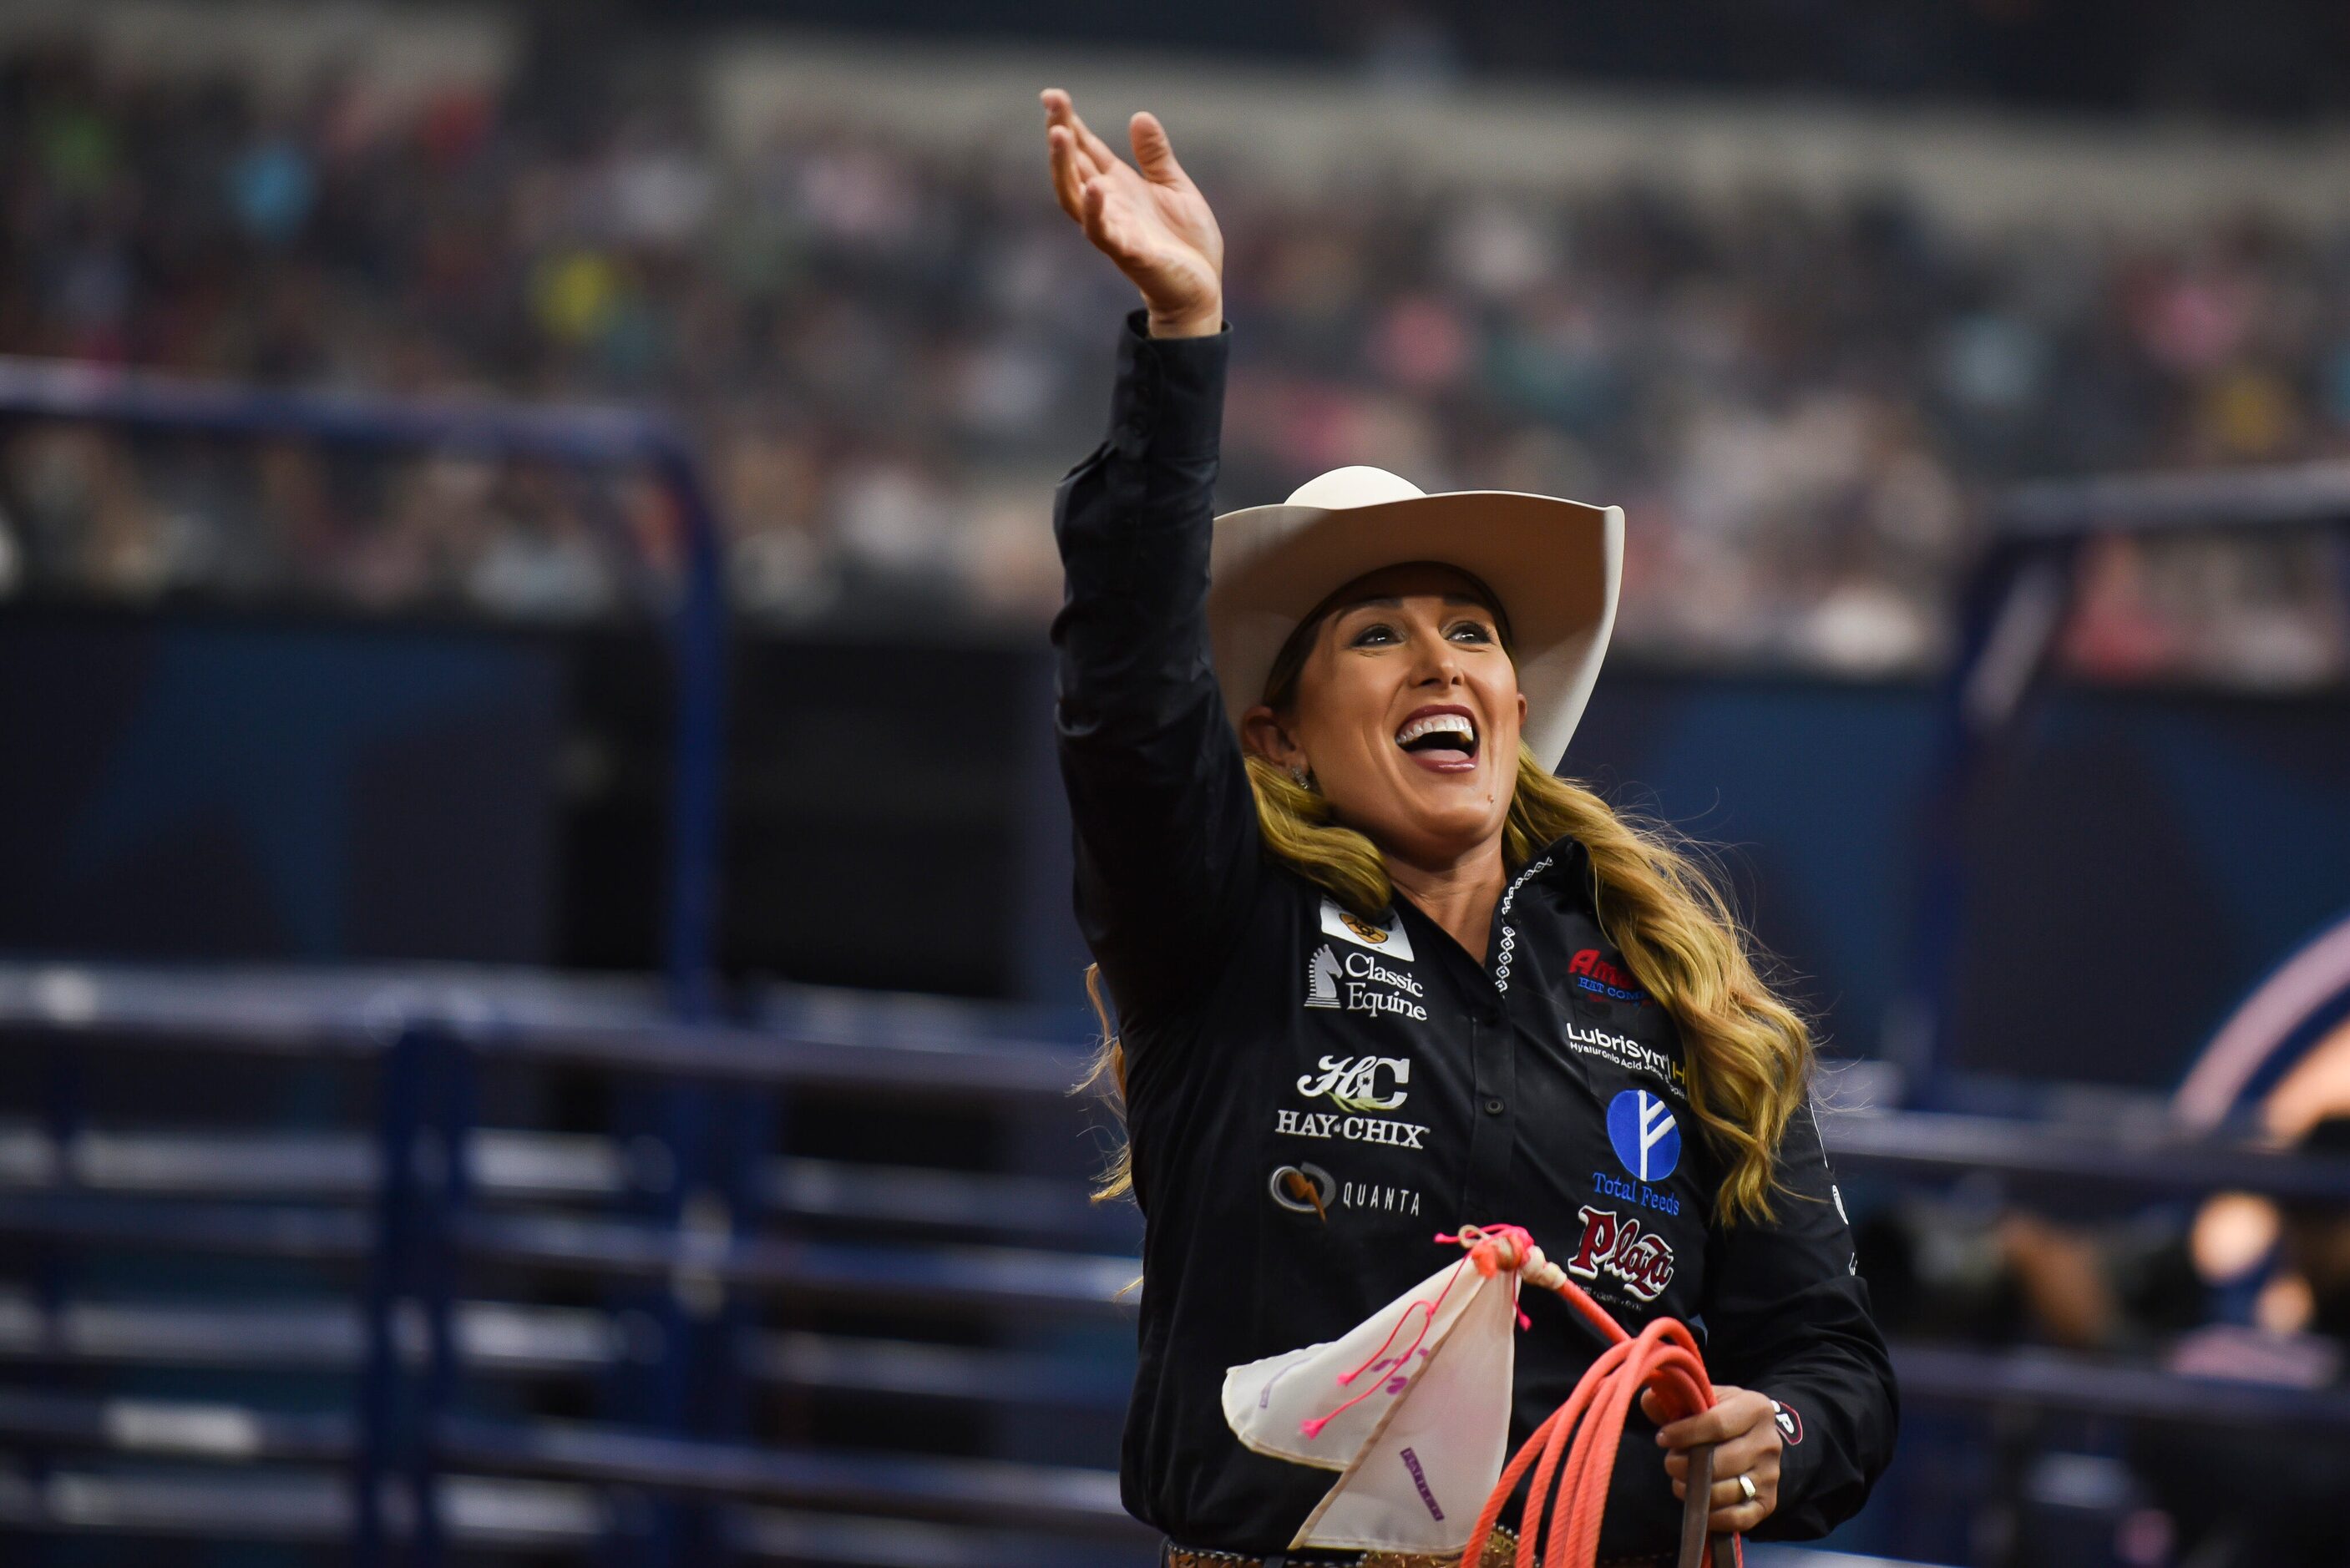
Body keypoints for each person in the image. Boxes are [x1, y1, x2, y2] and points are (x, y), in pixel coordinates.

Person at [1041, 88, 1897, 1564]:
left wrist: (1787, 1436)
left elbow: (1831, 1358)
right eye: (1375, 633)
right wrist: (1181, 342)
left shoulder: (1680, 983)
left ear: (1509, 699)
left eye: (1471, 631)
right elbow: (1123, 690)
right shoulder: (1218, 927)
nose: (1441, 660)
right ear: (1278, 738)